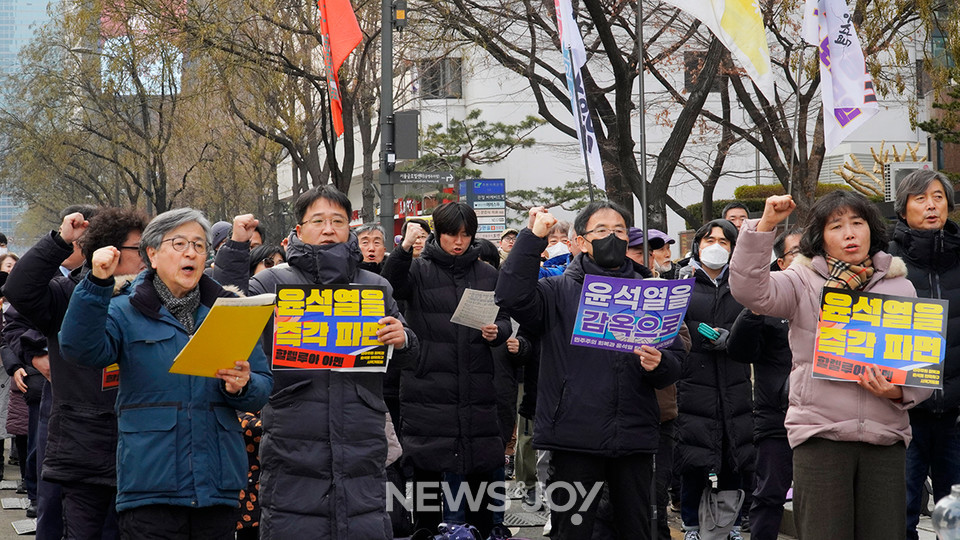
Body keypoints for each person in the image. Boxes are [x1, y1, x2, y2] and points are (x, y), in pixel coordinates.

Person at [217, 186, 419, 539]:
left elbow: (408, 354)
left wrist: (402, 339)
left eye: (338, 221)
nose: (329, 229)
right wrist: (235, 248)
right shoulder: (271, 282)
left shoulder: (376, 286)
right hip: (292, 438)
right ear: (298, 229)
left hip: (361, 438)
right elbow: (224, 318)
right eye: (318, 220)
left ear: (349, 228)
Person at [729, 192, 933, 540]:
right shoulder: (801, 280)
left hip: (885, 437)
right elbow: (750, 290)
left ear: (872, 229)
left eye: (857, 223)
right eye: (836, 226)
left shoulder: (901, 285)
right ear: (820, 238)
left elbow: (921, 363)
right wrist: (764, 227)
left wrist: (900, 391)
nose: (849, 234)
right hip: (819, 435)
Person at [60, 208, 272, 539]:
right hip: (150, 487)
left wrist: (242, 386)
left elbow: (262, 387)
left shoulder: (229, 308)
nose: (191, 253)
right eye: (179, 243)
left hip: (217, 487)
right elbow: (79, 349)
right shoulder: (123, 309)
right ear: (152, 254)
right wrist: (96, 283)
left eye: (200, 246)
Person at [496, 202, 683, 540]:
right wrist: (532, 237)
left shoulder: (651, 292)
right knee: (574, 530)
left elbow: (675, 361)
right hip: (574, 439)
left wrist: (660, 363)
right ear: (581, 241)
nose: (612, 237)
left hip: (634, 437)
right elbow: (510, 296)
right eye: (601, 231)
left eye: (619, 231)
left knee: (637, 531)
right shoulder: (556, 291)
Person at [4, 207, 148, 539]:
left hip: (141, 447)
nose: (146, 257)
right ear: (108, 251)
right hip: (81, 446)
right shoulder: (70, 293)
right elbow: (19, 289)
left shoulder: (153, 298)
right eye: (138, 249)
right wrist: (60, 240)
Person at [381, 201, 510, 537]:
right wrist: (405, 246)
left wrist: (499, 332)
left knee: (480, 476)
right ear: (438, 233)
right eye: (452, 234)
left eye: (466, 235)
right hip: (428, 391)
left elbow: (505, 320)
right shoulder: (418, 269)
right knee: (427, 487)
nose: (459, 242)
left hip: (477, 392)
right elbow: (389, 286)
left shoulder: (487, 274)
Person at [885, 169, 960, 539]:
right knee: (900, 512)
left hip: (956, 415)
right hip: (903, 411)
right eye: (920, 198)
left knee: (956, 514)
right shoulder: (884, 264)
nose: (931, 205)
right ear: (903, 210)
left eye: (938, 197)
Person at [674, 218, 752, 540]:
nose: (716, 247)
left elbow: (755, 332)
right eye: (709, 240)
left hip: (734, 385)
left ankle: (731, 523)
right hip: (694, 384)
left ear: (734, 249)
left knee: (734, 457)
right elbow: (670, 332)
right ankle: (691, 524)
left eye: (724, 241)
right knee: (695, 460)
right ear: (697, 245)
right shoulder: (682, 284)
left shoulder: (744, 286)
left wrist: (732, 338)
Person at [725, 228, 800, 540]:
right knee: (769, 496)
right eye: (798, 251)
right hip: (776, 420)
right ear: (781, 263)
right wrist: (755, 309)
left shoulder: (837, 299)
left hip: (825, 420)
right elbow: (740, 351)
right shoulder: (770, 303)